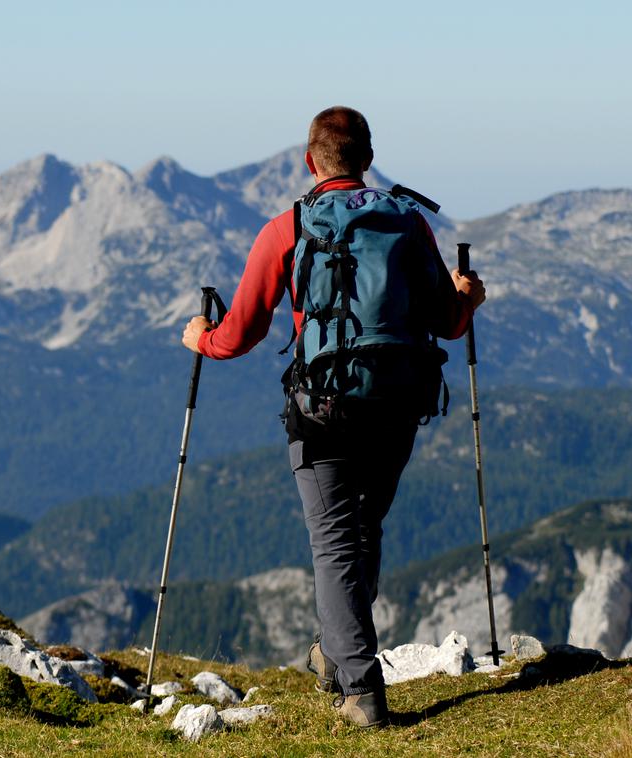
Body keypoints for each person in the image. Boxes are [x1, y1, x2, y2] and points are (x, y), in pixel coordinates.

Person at [181, 106, 486, 728]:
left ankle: (362, 691)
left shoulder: (287, 228)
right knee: (362, 531)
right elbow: (447, 322)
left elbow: (241, 332)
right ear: (369, 159)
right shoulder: (408, 223)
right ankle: (334, 656)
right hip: (400, 405)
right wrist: (468, 298)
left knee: (335, 543)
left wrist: (200, 340)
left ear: (308, 160)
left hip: (323, 411)